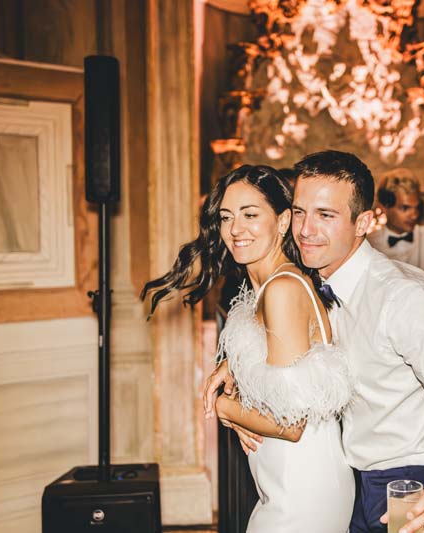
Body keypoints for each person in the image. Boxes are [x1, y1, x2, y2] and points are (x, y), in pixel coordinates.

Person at [205, 151, 424, 533]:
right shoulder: (312, 282)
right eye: (299, 212)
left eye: (325, 216)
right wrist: (237, 363)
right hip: (348, 482)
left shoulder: (401, 296)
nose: (306, 230)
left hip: (410, 484)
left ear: (363, 222)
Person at [143, 165, 355, 532]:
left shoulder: (282, 290)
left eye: (250, 215)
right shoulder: (267, 287)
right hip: (284, 481)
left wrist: (225, 407)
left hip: (303, 488)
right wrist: (234, 369)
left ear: (283, 220)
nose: (235, 229)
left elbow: (290, 425)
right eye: (226, 217)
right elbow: (272, 374)